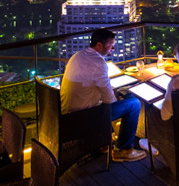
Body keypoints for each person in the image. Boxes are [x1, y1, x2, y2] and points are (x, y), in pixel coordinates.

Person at [60, 28, 146, 162]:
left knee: (119, 97)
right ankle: (123, 150)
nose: (113, 48)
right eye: (110, 45)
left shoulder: (77, 55)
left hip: (68, 114)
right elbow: (109, 100)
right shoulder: (99, 63)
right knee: (133, 104)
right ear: (99, 45)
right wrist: (117, 93)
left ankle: (102, 143)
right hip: (84, 117)